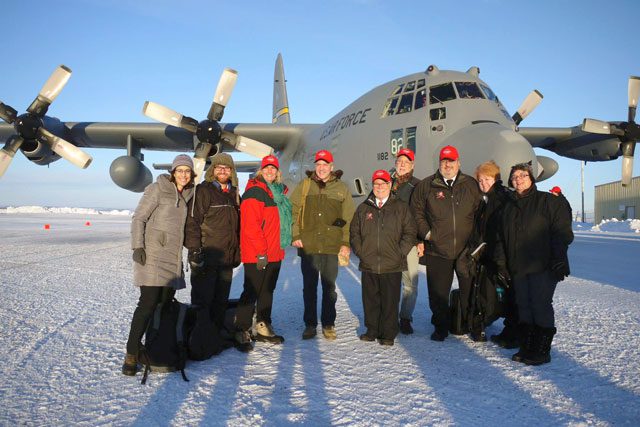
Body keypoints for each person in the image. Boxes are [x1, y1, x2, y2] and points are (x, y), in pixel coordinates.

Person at [122, 154, 195, 376]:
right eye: (179, 170)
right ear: (173, 173)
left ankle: (156, 349)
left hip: (172, 259)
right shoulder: (157, 189)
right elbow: (139, 218)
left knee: (164, 305)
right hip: (152, 256)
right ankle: (131, 354)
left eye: (187, 171)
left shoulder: (190, 194)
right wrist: (138, 247)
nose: (183, 174)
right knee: (147, 305)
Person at [496, 162, 574, 365]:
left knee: (540, 305)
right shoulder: (508, 207)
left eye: (522, 175)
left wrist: (559, 258)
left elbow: (562, 231)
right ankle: (527, 346)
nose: (518, 179)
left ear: (531, 178)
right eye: (514, 177)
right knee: (523, 306)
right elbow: (501, 238)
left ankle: (541, 350)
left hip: (543, 265)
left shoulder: (547, 201)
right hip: (518, 266)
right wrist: (502, 264)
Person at [410, 145, 482, 341]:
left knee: (470, 290)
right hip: (437, 250)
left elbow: (480, 213)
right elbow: (416, 212)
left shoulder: (471, 185)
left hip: (465, 250)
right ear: (439, 163)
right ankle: (440, 326)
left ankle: (471, 324)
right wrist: (426, 233)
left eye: (451, 161)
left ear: (458, 163)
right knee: (438, 293)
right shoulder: (426, 186)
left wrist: (475, 242)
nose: (447, 165)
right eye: (444, 161)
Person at [290, 149, 355, 340]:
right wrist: (295, 235)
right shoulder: (305, 185)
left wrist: (344, 241)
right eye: (318, 165)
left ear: (331, 167)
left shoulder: (341, 188)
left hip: (330, 245)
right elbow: (292, 211)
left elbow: (348, 218)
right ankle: (310, 324)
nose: (321, 168)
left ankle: (328, 324)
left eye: (325, 165)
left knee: (329, 287)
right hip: (308, 245)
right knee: (309, 287)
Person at [350, 170, 417, 346]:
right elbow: (354, 233)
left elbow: (410, 233)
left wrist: (399, 252)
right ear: (373, 186)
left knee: (390, 300)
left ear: (389, 185)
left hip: (392, 263)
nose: (380, 187)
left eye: (383, 183)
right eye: (376, 184)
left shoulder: (401, 207)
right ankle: (372, 329)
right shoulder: (364, 208)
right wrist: (361, 251)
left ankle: (388, 333)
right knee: (370, 299)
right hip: (369, 262)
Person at [234, 155, 292, 352]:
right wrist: (261, 253)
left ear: (277, 171)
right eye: (266, 168)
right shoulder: (254, 193)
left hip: (275, 252)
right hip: (258, 254)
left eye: (273, 168)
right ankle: (241, 330)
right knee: (251, 291)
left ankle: (263, 326)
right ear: (260, 170)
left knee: (267, 292)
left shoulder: (279, 194)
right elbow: (251, 227)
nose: (269, 171)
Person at [184, 153, 240, 334]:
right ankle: (198, 336)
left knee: (221, 300)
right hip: (207, 256)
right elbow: (192, 222)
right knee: (202, 301)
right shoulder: (204, 191)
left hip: (226, 259)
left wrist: (237, 252)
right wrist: (194, 251)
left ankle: (214, 336)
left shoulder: (234, 194)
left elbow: (236, 227)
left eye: (227, 168)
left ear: (232, 172)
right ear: (212, 170)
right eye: (218, 167)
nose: (223, 171)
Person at [467, 161, 515, 344]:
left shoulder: (501, 199)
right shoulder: (485, 199)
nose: (484, 183)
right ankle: (480, 324)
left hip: (498, 253)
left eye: (487, 179)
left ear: (496, 178)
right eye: (480, 180)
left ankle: (505, 328)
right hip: (486, 253)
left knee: (499, 293)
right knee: (485, 291)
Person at [391, 148, 424, 335]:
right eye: (400, 160)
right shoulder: (386, 183)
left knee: (410, 282)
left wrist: (420, 240)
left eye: (406, 161)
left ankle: (405, 318)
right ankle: (389, 316)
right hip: (389, 241)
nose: (402, 164)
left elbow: (421, 215)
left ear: (412, 165)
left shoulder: (418, 186)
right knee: (390, 281)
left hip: (410, 241)